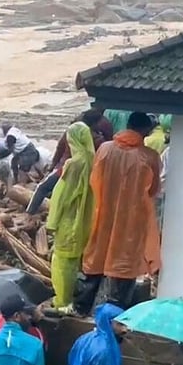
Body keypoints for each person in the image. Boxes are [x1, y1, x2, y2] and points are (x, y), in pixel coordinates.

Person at [74, 112, 162, 315]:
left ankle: (81, 307)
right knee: (125, 265)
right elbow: (153, 189)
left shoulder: (105, 149)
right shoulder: (149, 157)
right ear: (145, 130)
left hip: (103, 212)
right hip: (130, 219)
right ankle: (117, 312)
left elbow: (94, 179)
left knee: (95, 259)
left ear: (127, 125)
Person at [46, 122, 96, 311]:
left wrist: (52, 222)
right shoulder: (94, 160)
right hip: (86, 221)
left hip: (69, 221)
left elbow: (61, 195)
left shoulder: (73, 164)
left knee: (62, 264)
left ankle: (62, 302)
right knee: (76, 263)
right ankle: (74, 298)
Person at [27, 109, 113, 215]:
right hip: (87, 172)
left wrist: (52, 166)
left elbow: (60, 148)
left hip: (65, 168)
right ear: (96, 123)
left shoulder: (72, 131)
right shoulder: (98, 138)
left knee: (42, 188)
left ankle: (30, 213)